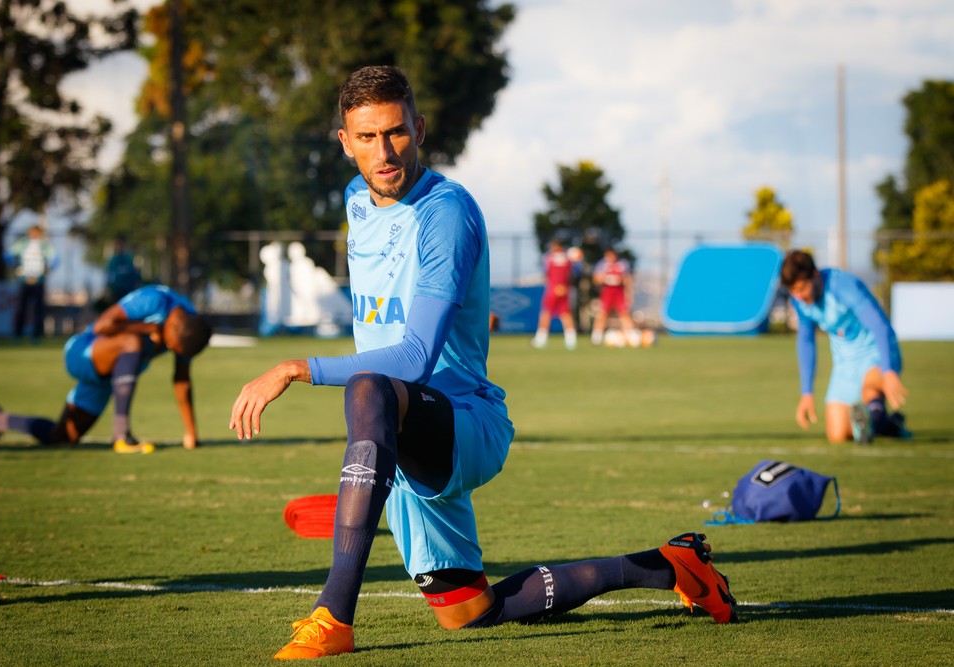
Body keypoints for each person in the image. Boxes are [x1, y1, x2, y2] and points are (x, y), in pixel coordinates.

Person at [229, 65, 736, 661]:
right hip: (400, 430)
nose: (384, 151)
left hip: (463, 421)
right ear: (344, 141)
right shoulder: (355, 200)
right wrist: (372, 468)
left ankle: (333, 616)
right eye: (366, 137)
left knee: (367, 386)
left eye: (395, 133)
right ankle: (670, 565)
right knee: (472, 614)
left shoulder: (445, 213)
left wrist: (295, 367)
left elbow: (414, 359)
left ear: (418, 129)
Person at [0, 284, 211, 453]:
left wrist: (191, 433)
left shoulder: (189, 327)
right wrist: (145, 327)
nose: (167, 349)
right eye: (170, 345)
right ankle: (121, 434)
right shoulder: (155, 301)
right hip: (84, 351)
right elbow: (102, 325)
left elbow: (182, 380)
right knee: (133, 342)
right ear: (171, 326)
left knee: (63, 437)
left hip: (111, 375)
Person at [780, 249, 910, 444]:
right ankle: (885, 423)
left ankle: (875, 409)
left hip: (875, 351)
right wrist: (806, 393)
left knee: (869, 389)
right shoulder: (801, 302)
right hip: (845, 363)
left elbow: (878, 325)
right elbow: (806, 341)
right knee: (837, 435)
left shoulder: (842, 285)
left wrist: (888, 369)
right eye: (794, 292)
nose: (799, 297)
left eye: (802, 288)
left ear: (815, 275)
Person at [8, 224, 57, 343]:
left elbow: (56, 258)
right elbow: (8, 255)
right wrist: (15, 266)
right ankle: (18, 335)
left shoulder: (44, 245)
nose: (34, 235)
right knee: (21, 309)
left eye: (36, 232)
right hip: (24, 281)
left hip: (38, 281)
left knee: (38, 310)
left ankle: (36, 337)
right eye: (32, 232)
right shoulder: (22, 244)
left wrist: (49, 269)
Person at [531, 239, 581, 350]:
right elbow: (575, 273)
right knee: (565, 314)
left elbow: (546, 273)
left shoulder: (549, 258)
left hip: (552, 289)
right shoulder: (569, 258)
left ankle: (540, 339)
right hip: (565, 289)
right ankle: (571, 340)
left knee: (546, 313)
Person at [590, 247, 640, 347]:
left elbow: (627, 279)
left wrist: (628, 294)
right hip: (607, 293)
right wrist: (605, 278)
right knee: (602, 314)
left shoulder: (622, 264)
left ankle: (632, 338)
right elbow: (596, 279)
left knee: (624, 314)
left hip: (619, 293)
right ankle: (596, 337)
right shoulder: (602, 264)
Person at [105, 235, 142, 305]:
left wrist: (137, 282)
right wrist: (108, 288)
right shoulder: (113, 260)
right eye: (118, 245)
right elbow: (109, 275)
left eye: (121, 245)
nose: (119, 247)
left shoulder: (129, 258)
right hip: (117, 290)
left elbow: (134, 272)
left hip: (129, 289)